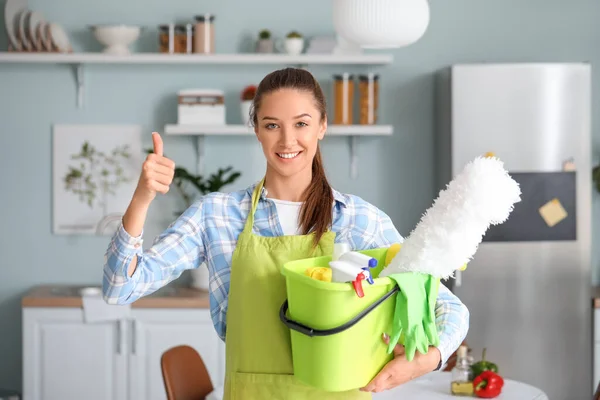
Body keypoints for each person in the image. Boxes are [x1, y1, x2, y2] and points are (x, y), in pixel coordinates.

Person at [103, 67, 469, 399]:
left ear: (322, 127)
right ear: (257, 130)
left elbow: (447, 308)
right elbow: (120, 288)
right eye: (272, 125)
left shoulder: (358, 221)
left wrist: (427, 360)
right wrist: (142, 198)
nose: (287, 140)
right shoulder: (216, 216)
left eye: (302, 123)